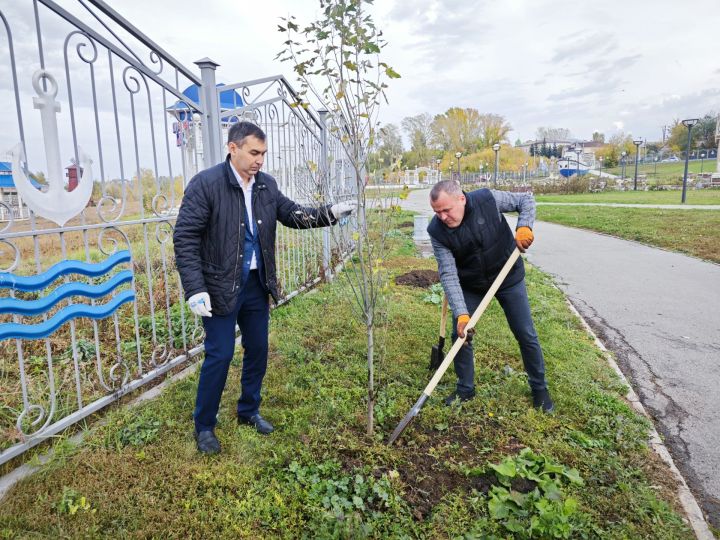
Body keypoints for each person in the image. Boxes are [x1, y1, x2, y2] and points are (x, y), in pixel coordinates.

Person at [173, 121, 355, 454]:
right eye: (254, 152)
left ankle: (248, 410)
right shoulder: (206, 185)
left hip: (257, 284)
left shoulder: (265, 186)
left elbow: (293, 214)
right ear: (233, 148)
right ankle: (205, 426)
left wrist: (329, 213)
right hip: (219, 287)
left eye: (263, 153)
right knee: (221, 354)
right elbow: (185, 239)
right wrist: (194, 288)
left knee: (257, 349)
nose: (260, 160)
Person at [427, 180, 554, 412]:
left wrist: (524, 226)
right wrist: (462, 313)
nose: (443, 217)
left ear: (461, 199)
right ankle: (465, 389)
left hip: (508, 276)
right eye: (437, 212)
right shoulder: (436, 231)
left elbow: (525, 199)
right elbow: (448, 274)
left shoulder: (487, 199)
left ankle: (540, 390)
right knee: (461, 333)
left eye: (447, 210)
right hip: (472, 284)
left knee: (525, 333)